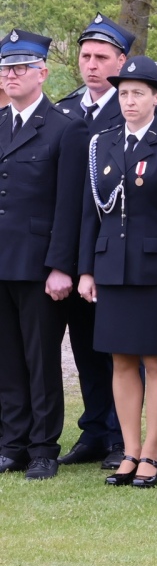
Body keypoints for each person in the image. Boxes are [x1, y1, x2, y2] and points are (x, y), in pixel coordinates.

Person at [77, 56, 157, 487]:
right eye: (124, 93)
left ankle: (152, 452)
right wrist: (86, 270)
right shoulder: (102, 142)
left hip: (154, 269)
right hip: (111, 267)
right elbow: (91, 211)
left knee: (155, 360)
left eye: (138, 93)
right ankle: (128, 449)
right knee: (120, 361)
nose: (129, 101)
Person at [0, 29, 88, 479]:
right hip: (1, 261)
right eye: (6, 68)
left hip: (38, 265)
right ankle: (11, 443)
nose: (11, 75)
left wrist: (60, 267)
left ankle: (42, 446)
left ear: (42, 72)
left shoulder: (64, 128)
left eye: (20, 67)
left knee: (41, 359)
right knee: (7, 358)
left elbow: (69, 205)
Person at [57, 13, 133, 470]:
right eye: (85, 56)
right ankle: (94, 430)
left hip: (115, 251)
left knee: (122, 350)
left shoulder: (128, 109)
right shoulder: (67, 111)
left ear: (121, 61)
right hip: (72, 251)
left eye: (102, 57)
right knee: (85, 348)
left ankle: (125, 436)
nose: (91, 65)